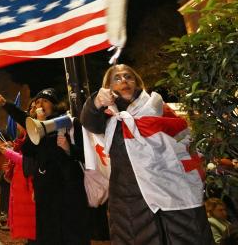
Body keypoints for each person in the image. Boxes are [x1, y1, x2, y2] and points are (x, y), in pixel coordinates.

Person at [81, 64, 214, 245]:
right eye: (117, 78)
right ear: (109, 87)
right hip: (129, 201)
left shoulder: (158, 107)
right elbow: (89, 122)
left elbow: (185, 144)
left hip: (172, 191)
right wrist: (96, 102)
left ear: (137, 82)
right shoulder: (106, 116)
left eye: (128, 77)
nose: (124, 81)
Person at [0, 88, 90, 244]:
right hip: (45, 190)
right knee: (46, 234)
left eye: (44, 101)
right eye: (37, 102)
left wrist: (68, 149)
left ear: (54, 104)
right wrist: (7, 106)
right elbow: (28, 152)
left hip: (68, 189)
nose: (40, 104)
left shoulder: (70, 123)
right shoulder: (36, 128)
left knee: (70, 234)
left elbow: (85, 154)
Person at [0, 122, 36, 242]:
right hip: (20, 184)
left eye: (20, 122)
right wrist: (10, 168)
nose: (17, 125)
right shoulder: (22, 140)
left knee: (31, 226)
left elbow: (27, 162)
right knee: (28, 228)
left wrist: (8, 153)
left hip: (28, 186)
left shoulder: (30, 140)